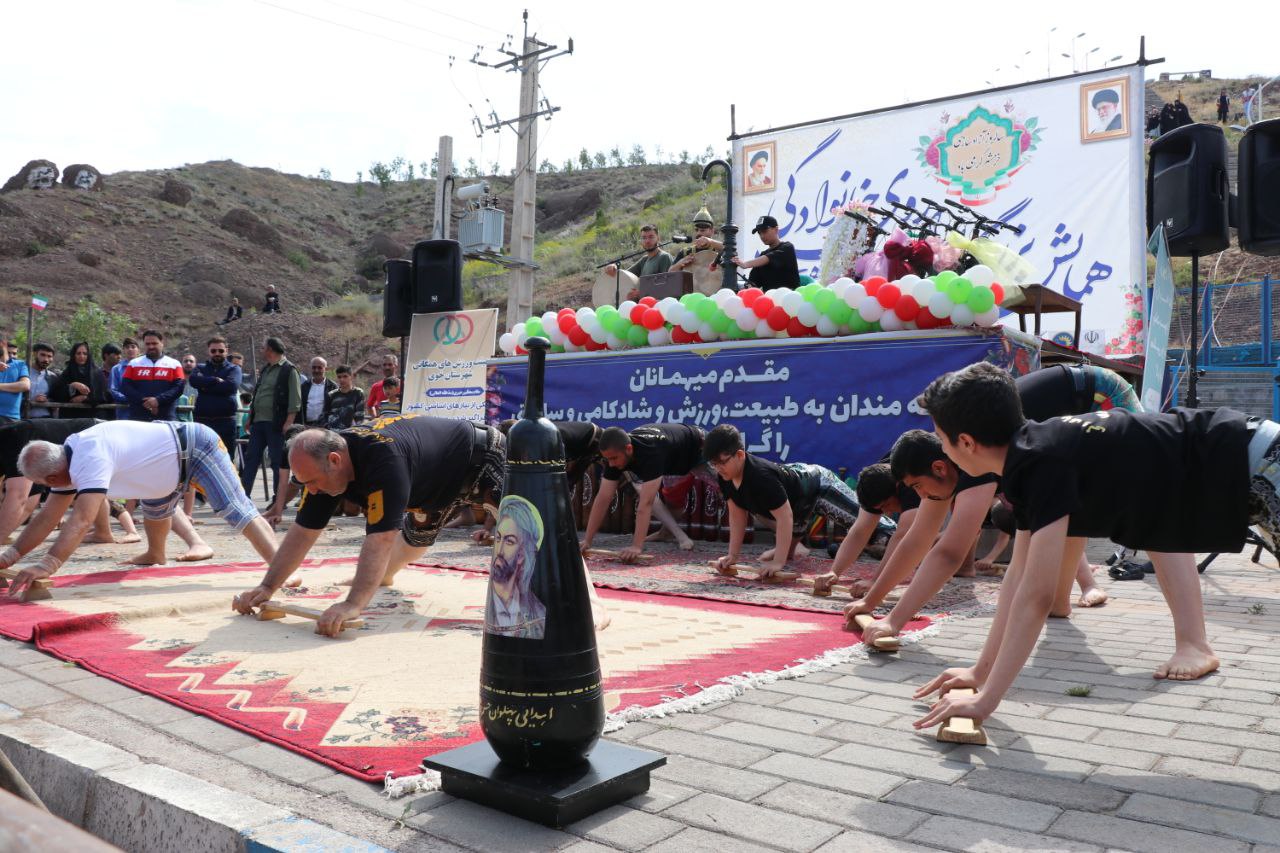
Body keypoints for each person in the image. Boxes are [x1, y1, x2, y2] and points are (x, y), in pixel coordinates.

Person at [910, 362, 1262, 734]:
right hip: (1245, 459)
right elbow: (1018, 578)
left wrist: (986, 700)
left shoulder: (1040, 460)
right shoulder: (1028, 457)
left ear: (966, 442)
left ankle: (1195, 643)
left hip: (1256, 459)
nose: (943, 451)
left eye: (942, 439)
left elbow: (1037, 597)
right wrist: (979, 672)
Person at [230, 416, 506, 637]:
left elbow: (381, 539)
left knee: (520, 529)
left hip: (481, 458)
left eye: (311, 482)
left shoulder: (383, 461)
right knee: (418, 535)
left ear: (335, 461)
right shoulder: (324, 468)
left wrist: (353, 604)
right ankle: (384, 575)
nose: (311, 491)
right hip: (432, 483)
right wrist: (267, 586)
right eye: (304, 484)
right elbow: (302, 532)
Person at [2, 421, 278, 597]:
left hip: (195, 447)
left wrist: (47, 565)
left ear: (52, 479)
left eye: (45, 485)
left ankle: (280, 568)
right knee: (156, 508)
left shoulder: (89, 457)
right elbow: (47, 517)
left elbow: (82, 520)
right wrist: (8, 557)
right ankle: (155, 553)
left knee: (235, 509)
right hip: (161, 470)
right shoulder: (68, 457)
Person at [704, 424, 871, 578]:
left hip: (819, 484)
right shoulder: (725, 476)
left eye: (722, 462)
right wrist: (732, 556)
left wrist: (778, 562)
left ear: (740, 455)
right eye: (713, 464)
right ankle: (788, 550)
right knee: (788, 538)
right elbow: (737, 515)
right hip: (796, 503)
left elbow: (784, 517)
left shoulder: (761, 477)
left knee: (872, 527)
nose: (718, 468)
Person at [0, 418, 139, 547]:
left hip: (100, 436)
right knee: (91, 491)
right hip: (98, 435)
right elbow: (29, 499)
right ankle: (102, 533)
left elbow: (21, 499)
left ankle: (108, 532)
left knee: (91, 492)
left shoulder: (13, 440)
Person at [580, 423, 704, 561]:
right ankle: (665, 533)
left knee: (723, 489)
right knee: (674, 500)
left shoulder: (650, 452)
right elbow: (603, 498)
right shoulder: (615, 456)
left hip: (698, 447)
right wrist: (587, 540)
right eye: (607, 459)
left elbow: (646, 504)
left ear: (629, 449)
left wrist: (636, 547)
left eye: (614, 458)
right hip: (673, 461)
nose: (611, 464)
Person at [240, 336, 300, 526]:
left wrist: (288, 422)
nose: (261, 350)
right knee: (251, 459)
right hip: (258, 423)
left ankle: (277, 502)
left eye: (263, 347)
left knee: (277, 463)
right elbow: (258, 394)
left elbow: (295, 399)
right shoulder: (266, 369)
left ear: (271, 350)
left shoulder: (289, 370)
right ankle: (242, 498)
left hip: (277, 424)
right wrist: (250, 417)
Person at [189, 336, 243, 461]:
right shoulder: (200, 368)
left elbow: (231, 386)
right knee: (200, 459)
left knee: (226, 460)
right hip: (202, 422)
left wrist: (205, 385)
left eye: (220, 350)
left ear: (226, 351)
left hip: (225, 422)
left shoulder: (234, 369)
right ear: (208, 351)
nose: (217, 353)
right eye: (213, 351)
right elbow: (193, 381)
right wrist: (214, 380)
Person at [120, 330, 185, 422]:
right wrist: (143, 400)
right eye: (147, 344)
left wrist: (158, 400)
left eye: (154, 343)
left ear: (162, 343)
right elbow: (126, 386)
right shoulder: (133, 364)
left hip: (166, 416)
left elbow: (179, 388)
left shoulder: (174, 364)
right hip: (138, 416)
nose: (151, 346)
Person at [732, 216, 799, 292]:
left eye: (764, 231)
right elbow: (753, 283)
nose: (762, 236)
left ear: (776, 230)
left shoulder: (787, 247)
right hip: (769, 299)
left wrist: (745, 264)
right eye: (759, 233)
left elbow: (769, 258)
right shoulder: (762, 256)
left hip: (790, 297)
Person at [49, 342, 112, 418]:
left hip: (92, 417)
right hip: (70, 417)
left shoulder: (97, 373)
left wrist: (86, 398)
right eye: (78, 353)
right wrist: (72, 385)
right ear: (73, 355)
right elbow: (56, 394)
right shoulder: (67, 373)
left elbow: (103, 396)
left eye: (85, 354)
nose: (81, 356)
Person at [603, 225, 674, 281]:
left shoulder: (664, 257)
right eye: (644, 238)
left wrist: (639, 292)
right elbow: (625, 276)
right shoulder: (644, 260)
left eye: (651, 237)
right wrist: (613, 267)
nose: (647, 241)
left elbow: (666, 284)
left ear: (658, 238)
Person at [671, 207, 722, 273]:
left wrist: (710, 241)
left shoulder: (718, 250)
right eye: (696, 230)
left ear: (712, 231)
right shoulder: (686, 252)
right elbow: (670, 273)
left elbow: (728, 247)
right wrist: (680, 263)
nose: (698, 233)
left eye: (702, 230)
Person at [0, 338, 31, 426]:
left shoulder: (20, 364)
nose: (11, 355)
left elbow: (25, 385)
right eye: (9, 352)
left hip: (10, 417)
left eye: (14, 353)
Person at [109, 338, 141, 419]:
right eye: (127, 347)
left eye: (133, 347)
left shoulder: (145, 368)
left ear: (138, 350)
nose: (130, 349)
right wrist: (129, 399)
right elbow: (113, 390)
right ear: (123, 350)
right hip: (123, 412)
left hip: (142, 410)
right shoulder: (116, 369)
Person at [324, 365, 364, 430]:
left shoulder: (358, 393)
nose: (342, 379)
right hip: (332, 431)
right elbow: (325, 414)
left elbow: (359, 416)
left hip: (349, 431)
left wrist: (358, 431)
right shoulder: (331, 394)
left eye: (345, 376)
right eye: (339, 377)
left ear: (351, 377)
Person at [299, 357, 336, 427]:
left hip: (325, 427)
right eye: (314, 367)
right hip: (306, 426)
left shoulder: (332, 387)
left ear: (326, 369)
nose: (316, 370)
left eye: (319, 368)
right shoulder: (304, 386)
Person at [25, 344, 56, 420]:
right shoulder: (23, 373)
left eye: (49, 356)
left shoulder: (53, 377)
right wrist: (31, 401)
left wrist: (46, 400)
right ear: (35, 354)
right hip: (23, 418)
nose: (46, 359)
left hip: (46, 419)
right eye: (42, 355)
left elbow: (56, 398)